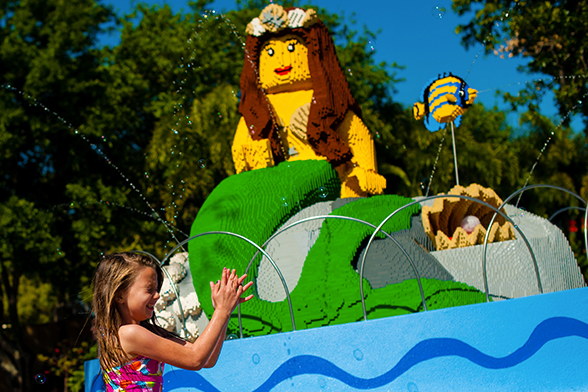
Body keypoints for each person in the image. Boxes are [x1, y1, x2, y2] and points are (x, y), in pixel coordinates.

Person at [92, 252, 253, 391]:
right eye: (149, 290)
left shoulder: (141, 332)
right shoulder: (129, 334)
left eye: (157, 290)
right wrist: (221, 311)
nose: (157, 296)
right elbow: (195, 359)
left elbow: (207, 359)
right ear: (120, 296)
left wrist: (225, 311)